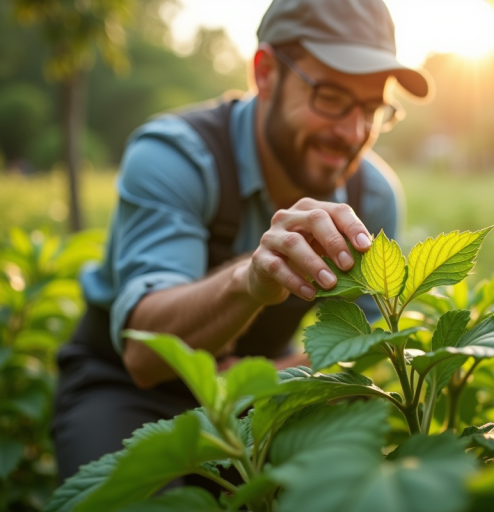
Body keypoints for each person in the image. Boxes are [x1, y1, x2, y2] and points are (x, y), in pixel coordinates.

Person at [52, 0, 431, 484]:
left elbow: (374, 347)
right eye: (331, 97)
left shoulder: (372, 197)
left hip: (264, 394)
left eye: (372, 108)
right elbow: (145, 358)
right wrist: (249, 279)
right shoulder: (176, 156)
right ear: (266, 72)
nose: (353, 132)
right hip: (127, 390)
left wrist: (264, 380)